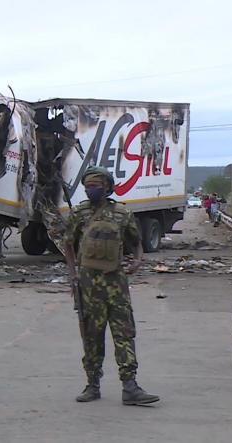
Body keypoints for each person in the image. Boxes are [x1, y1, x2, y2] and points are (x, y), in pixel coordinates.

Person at [63, 166, 160, 405]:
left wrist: (137, 261)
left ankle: (130, 386)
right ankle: (92, 385)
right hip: (88, 285)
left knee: (124, 334)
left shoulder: (121, 214)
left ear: (107, 187)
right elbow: (67, 244)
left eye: (96, 185)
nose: (91, 190)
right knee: (91, 336)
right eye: (88, 186)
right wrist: (73, 275)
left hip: (116, 283)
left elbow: (137, 242)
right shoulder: (79, 214)